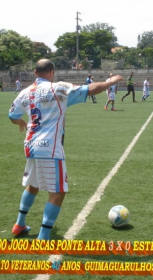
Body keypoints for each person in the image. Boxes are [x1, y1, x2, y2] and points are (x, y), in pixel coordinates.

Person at [8, 59, 123, 240]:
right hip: (50, 148)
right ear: (52, 72)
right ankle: (43, 237)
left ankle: (19, 224)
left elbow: (12, 115)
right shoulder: (58, 89)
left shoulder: (24, 92)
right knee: (58, 192)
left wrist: (20, 121)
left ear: (35, 73)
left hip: (31, 146)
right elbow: (90, 89)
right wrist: (110, 82)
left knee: (34, 185)